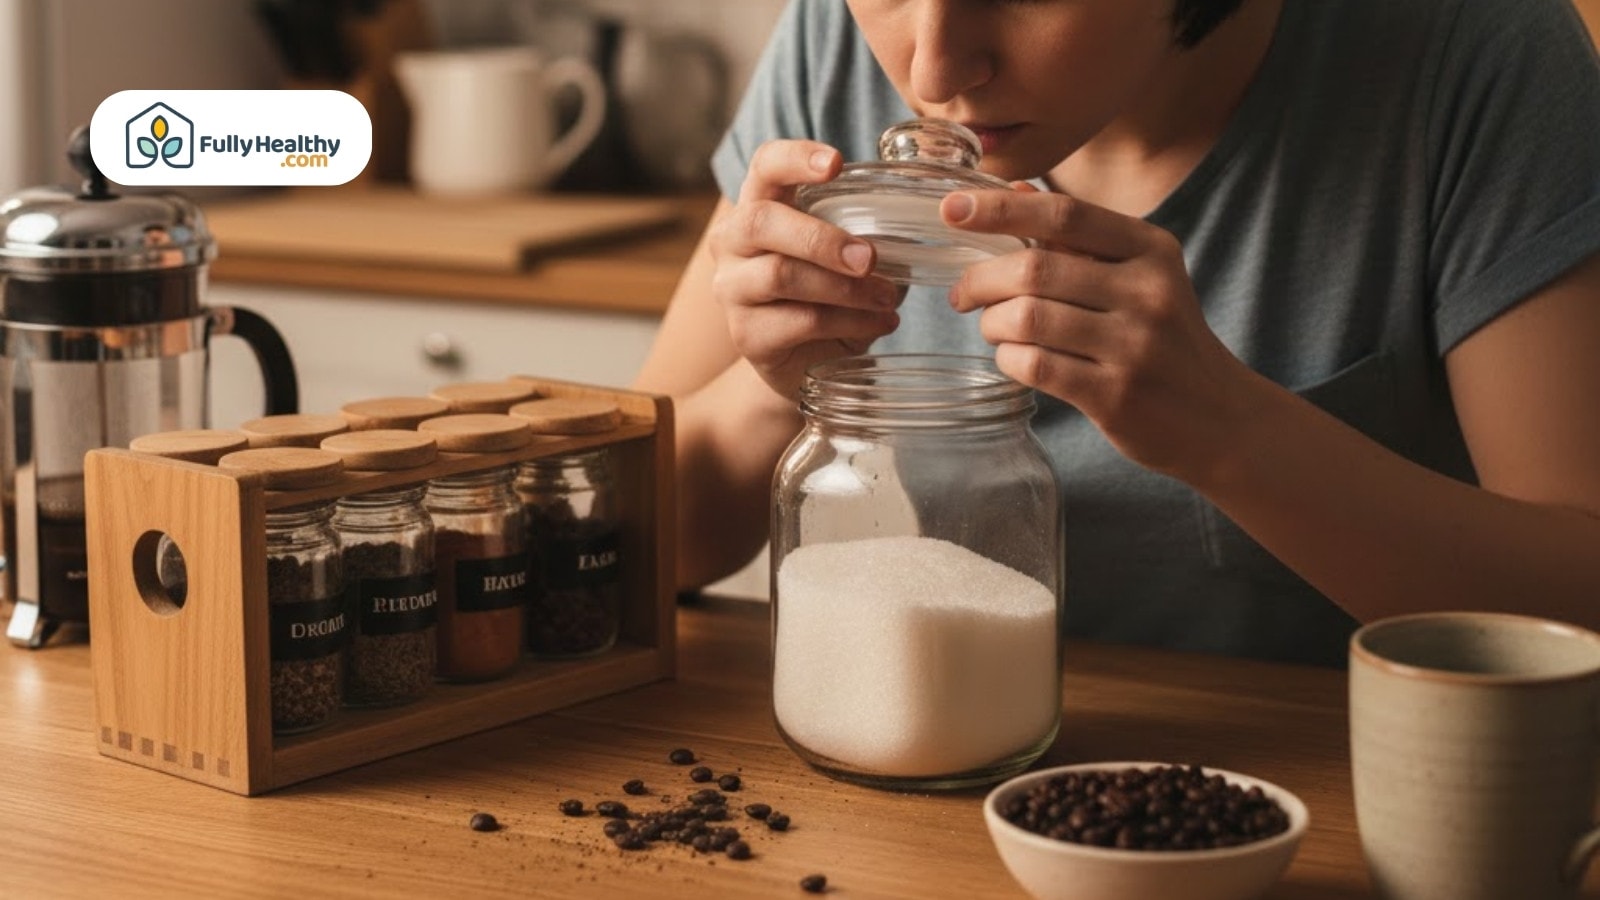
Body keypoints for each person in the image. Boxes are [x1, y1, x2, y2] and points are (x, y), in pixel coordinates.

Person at [632, 0, 1600, 666]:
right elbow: (647, 550)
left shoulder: (1472, 52)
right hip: (938, 765)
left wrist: (1233, 438)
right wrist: (776, 386)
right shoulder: (833, 43)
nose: (929, 70)